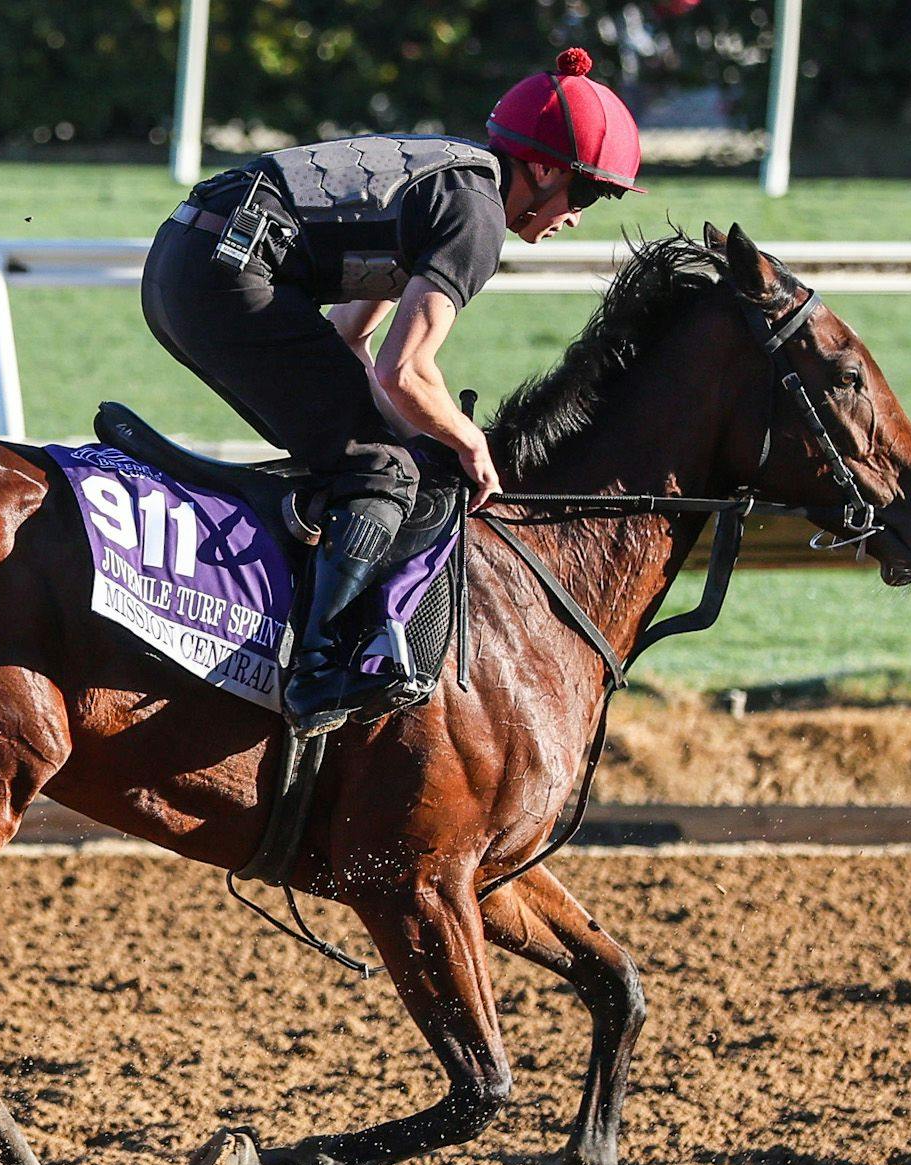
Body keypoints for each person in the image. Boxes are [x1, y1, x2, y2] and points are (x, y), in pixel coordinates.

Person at [140, 48, 643, 736]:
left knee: (377, 453)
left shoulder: (453, 176)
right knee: (380, 468)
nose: (578, 216)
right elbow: (402, 371)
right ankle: (315, 673)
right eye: (585, 194)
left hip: (186, 262)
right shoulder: (480, 217)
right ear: (547, 170)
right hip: (222, 277)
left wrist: (418, 431)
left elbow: (354, 342)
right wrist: (470, 441)